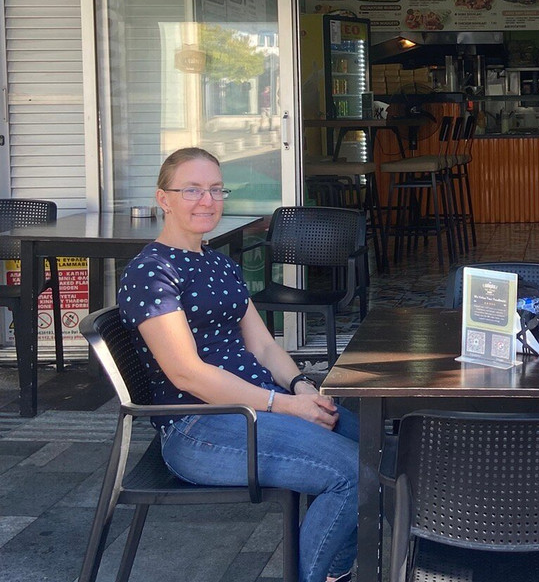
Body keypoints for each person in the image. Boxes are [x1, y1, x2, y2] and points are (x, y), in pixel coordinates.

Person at [118, 147, 367, 582]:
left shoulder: (218, 262)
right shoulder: (152, 272)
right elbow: (186, 373)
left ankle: (334, 572)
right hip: (200, 426)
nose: (207, 200)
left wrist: (301, 386)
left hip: (257, 408)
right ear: (163, 199)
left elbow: (265, 346)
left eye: (216, 190)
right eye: (192, 190)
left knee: (375, 448)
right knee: (351, 472)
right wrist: (285, 405)